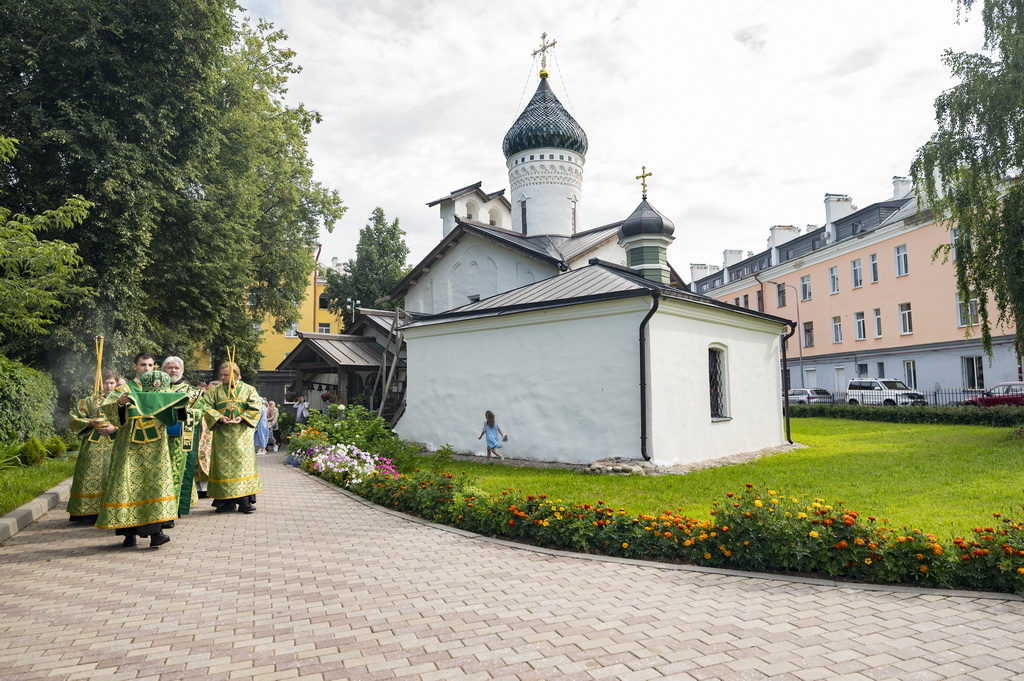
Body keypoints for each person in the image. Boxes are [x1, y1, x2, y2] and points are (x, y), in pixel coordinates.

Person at [96, 369, 189, 548]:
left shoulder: (164, 388)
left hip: (156, 450)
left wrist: (180, 406)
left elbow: (178, 415)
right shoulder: (124, 388)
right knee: (128, 487)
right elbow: (109, 409)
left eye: (149, 364)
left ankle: (156, 533)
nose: (146, 367)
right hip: (129, 449)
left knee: (155, 488)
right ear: (136, 366)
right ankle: (128, 534)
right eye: (142, 364)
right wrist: (121, 404)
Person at [204, 362, 263, 513]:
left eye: (226, 375)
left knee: (242, 468)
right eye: (221, 375)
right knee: (223, 470)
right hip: (222, 435)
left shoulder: (249, 390)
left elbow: (257, 406)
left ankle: (245, 503)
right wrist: (219, 417)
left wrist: (242, 417)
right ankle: (226, 503)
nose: (223, 377)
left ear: (236, 375)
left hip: (241, 436)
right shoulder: (215, 391)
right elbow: (205, 406)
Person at [67, 370, 119, 523]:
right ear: (98, 383)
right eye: (105, 382)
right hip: (92, 444)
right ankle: (87, 513)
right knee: (87, 473)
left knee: (112, 474)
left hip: (114, 443)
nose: (108, 386)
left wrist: (115, 428)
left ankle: (111, 509)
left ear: (116, 384)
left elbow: (129, 420)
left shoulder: (121, 401)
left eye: (111, 383)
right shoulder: (88, 401)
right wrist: (90, 422)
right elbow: (74, 418)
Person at [161, 356, 206, 519]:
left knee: (177, 474)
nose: (173, 371)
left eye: (176, 368)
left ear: (182, 370)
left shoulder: (194, 392)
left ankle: (174, 509)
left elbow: (201, 411)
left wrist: (185, 413)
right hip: (158, 439)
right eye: (169, 368)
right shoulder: (156, 390)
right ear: (163, 370)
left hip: (180, 441)